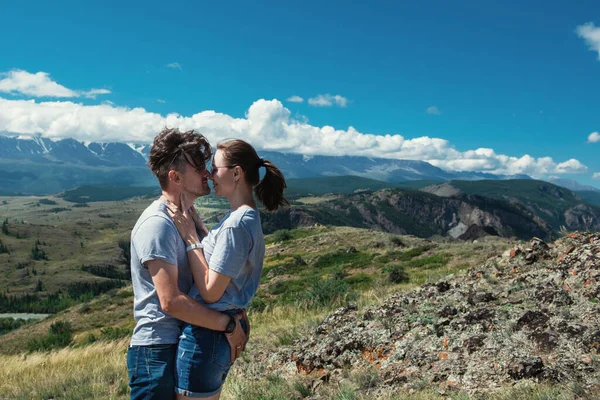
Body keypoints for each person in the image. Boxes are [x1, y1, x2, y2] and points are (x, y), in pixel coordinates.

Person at [166, 138, 288, 399]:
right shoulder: (244, 217)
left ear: (236, 173)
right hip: (216, 334)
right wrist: (198, 227)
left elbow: (210, 291)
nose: (209, 174)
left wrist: (190, 239)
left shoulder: (236, 224)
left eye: (215, 168)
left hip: (206, 335)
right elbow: (223, 258)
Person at [127, 128, 242, 400]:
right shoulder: (158, 225)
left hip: (176, 345)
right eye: (199, 167)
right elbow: (171, 302)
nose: (207, 173)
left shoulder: (186, 218)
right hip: (157, 352)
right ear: (175, 177)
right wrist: (227, 325)